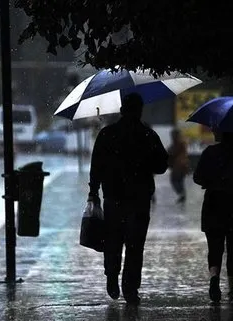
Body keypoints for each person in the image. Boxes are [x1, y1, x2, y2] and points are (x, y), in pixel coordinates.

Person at [87, 92, 169, 305]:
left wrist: (93, 191)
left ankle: (112, 276)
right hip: (139, 200)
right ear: (140, 110)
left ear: (122, 110)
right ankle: (130, 288)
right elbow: (161, 166)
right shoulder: (148, 136)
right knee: (135, 245)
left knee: (113, 240)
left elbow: (96, 166)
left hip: (113, 198)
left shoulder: (107, 135)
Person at [192, 131, 233, 304]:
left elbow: (197, 177)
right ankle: (232, 289)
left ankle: (214, 277)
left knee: (214, 246)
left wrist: (211, 182)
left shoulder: (210, 152)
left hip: (213, 203)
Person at [167, 128, 190, 203]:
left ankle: (182, 194)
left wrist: (169, 151)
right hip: (181, 165)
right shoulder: (179, 143)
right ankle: (182, 195)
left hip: (179, 166)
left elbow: (173, 152)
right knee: (179, 181)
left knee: (175, 181)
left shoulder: (178, 143)